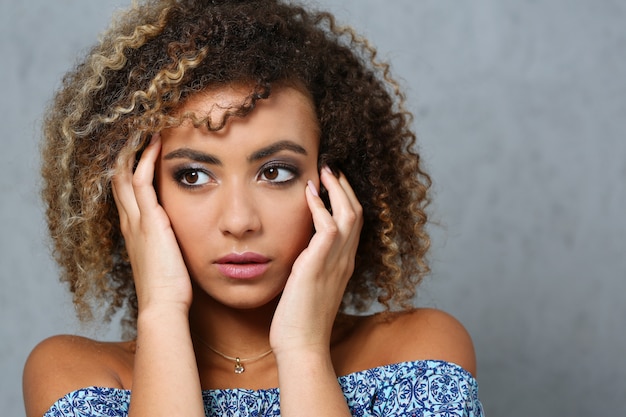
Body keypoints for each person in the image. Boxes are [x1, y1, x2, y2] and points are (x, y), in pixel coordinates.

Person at [23, 0, 484, 416]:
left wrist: (302, 350)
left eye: (276, 172)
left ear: (335, 183)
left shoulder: (421, 351)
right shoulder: (75, 377)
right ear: (138, 194)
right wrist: (160, 310)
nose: (240, 221)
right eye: (193, 176)